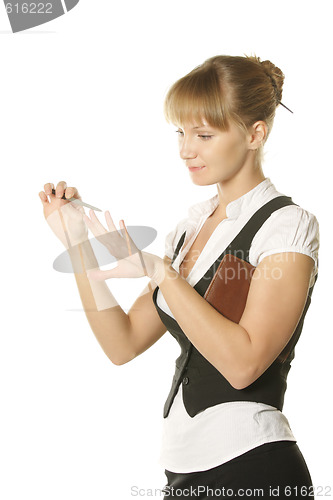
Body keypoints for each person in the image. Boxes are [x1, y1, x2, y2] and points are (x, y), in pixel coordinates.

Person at [39, 53, 320, 499]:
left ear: (255, 134)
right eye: (181, 132)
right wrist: (77, 247)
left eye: (204, 134)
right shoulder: (188, 231)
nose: (187, 149)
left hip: (254, 466)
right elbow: (123, 342)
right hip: (182, 471)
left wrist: (156, 268)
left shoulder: (286, 225)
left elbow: (244, 365)